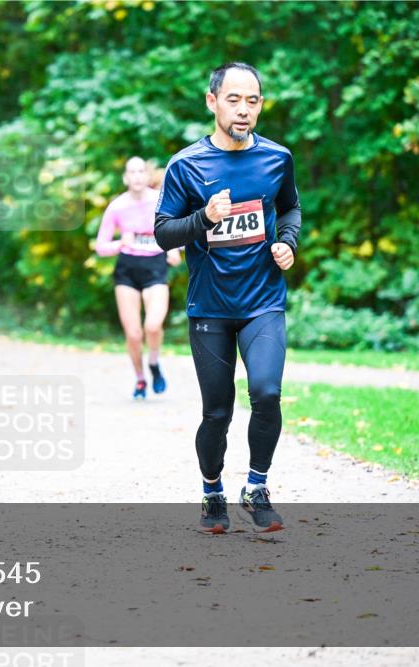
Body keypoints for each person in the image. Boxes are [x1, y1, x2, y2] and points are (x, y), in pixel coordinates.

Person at [154, 62, 301, 534]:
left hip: (263, 302)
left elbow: (290, 207)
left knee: (267, 393)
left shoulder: (277, 158)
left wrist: (288, 243)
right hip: (211, 308)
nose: (244, 110)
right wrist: (203, 218)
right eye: (234, 100)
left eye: (253, 101)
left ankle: (256, 487)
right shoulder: (186, 164)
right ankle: (212, 493)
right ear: (212, 101)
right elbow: (162, 234)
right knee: (217, 412)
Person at [95, 157, 181, 400]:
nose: (137, 176)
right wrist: (119, 243)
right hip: (128, 270)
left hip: (155, 267)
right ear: (125, 178)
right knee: (133, 333)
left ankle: (154, 361)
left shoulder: (161, 201)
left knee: (153, 325)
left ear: (147, 175)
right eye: (131, 172)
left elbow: (177, 229)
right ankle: (140, 379)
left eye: (141, 171)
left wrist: (173, 248)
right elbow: (101, 246)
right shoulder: (117, 207)